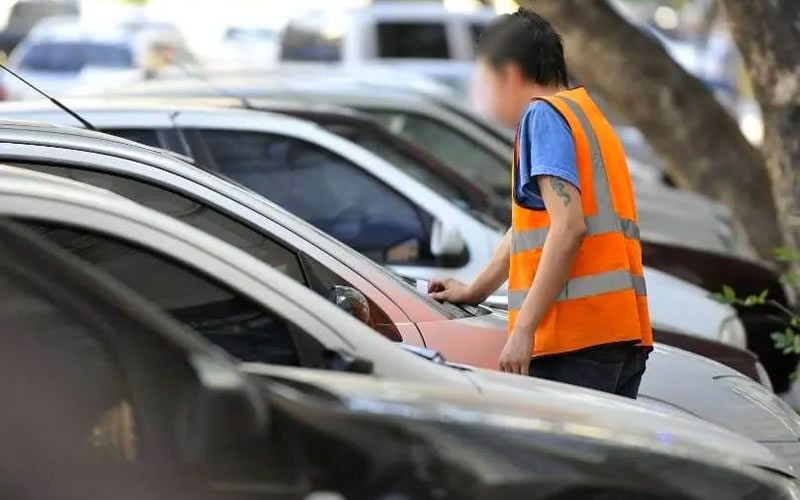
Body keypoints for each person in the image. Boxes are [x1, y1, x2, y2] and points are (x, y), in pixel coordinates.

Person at [429, 8, 652, 398]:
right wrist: (476, 290)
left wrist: (524, 329)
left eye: (485, 79)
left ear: (510, 74)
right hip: (619, 338)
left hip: (574, 345)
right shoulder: (586, 114)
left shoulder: (542, 116)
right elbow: (533, 226)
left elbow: (568, 227)